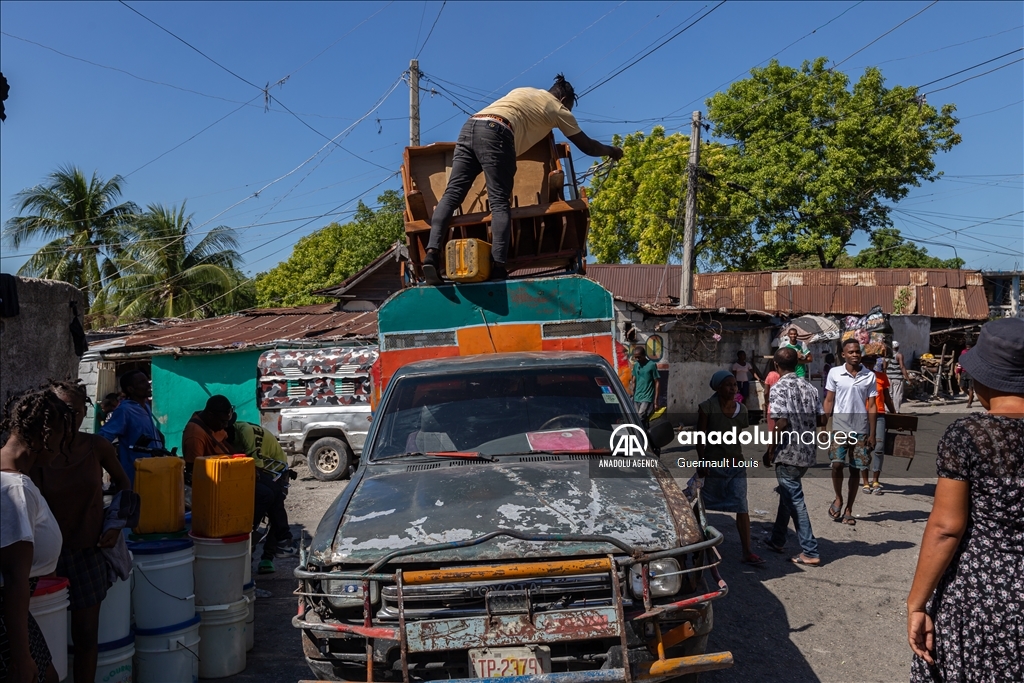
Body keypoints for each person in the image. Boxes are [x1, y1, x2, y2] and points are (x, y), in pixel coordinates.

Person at [907, 317, 1024, 682]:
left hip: (984, 596)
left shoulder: (969, 435)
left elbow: (946, 528)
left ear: (983, 378)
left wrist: (916, 603)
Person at [421, 75, 623, 284]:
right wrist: (612, 151)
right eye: (570, 108)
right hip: (497, 133)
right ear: (564, 100)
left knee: (452, 194)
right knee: (500, 203)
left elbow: (526, 119)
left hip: (470, 126)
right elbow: (588, 146)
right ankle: (499, 267)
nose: (569, 113)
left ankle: (432, 255)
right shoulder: (558, 109)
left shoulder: (524, 91)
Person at [31, 381, 131, 683]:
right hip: (44, 560)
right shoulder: (37, 453)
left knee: (86, 636)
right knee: (43, 638)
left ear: (85, 411)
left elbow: (125, 488)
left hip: (87, 553)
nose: (67, 419)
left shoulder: (95, 447)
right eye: (60, 411)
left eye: (73, 411)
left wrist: (114, 525)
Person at [1, 390, 72, 683]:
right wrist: (21, 657)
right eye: (61, 437)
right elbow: (15, 579)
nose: (63, 448)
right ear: (46, 435)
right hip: (7, 616)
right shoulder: (15, 490)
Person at [763, 347, 825, 566]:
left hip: (788, 452)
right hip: (807, 452)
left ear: (776, 366)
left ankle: (810, 550)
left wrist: (770, 450)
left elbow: (780, 422)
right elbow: (820, 420)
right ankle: (777, 539)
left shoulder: (778, 387)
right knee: (788, 496)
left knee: (795, 500)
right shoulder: (810, 387)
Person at [696, 370, 763, 566]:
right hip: (713, 465)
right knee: (702, 506)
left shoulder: (741, 410)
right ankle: (698, 545)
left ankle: (747, 551)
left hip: (736, 464)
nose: (733, 388)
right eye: (728, 385)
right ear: (718, 387)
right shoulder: (706, 408)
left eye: (734, 385)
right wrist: (702, 461)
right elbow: (700, 437)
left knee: (741, 505)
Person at [228, 417, 298, 575]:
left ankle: (269, 556)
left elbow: (255, 462)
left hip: (274, 469)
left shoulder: (244, 431)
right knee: (265, 510)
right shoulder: (233, 434)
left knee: (275, 509)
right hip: (261, 470)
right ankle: (251, 552)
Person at [823, 338, 877, 526]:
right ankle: (838, 497)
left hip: (860, 429)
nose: (855, 355)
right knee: (837, 464)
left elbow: (871, 405)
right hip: (839, 426)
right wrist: (823, 426)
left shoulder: (869, 375)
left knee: (856, 469)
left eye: (857, 352)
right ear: (843, 354)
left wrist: (872, 433)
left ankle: (849, 510)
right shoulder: (835, 373)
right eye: (851, 352)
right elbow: (829, 400)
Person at [98, 371, 163, 485]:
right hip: (135, 476)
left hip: (153, 472)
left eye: (147, 381)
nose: (148, 384)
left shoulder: (145, 407)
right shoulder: (125, 410)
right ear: (131, 389)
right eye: (142, 382)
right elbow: (103, 437)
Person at [860, 358, 896, 495]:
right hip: (862, 415)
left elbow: (887, 398)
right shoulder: (859, 377)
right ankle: (865, 482)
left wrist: (895, 415)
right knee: (864, 448)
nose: (869, 365)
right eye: (866, 363)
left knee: (879, 447)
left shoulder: (881, 377)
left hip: (880, 415)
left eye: (871, 363)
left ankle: (875, 480)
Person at [181, 395, 235, 482]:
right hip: (218, 479)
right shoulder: (195, 434)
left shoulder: (213, 424)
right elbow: (194, 470)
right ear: (210, 415)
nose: (225, 425)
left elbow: (224, 443)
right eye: (223, 421)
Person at [629, 346, 660, 427]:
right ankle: (644, 432)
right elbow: (634, 380)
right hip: (637, 396)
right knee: (637, 418)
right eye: (635, 357)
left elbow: (657, 382)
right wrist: (632, 393)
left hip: (647, 396)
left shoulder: (651, 365)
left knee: (640, 417)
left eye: (639, 357)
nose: (637, 359)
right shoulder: (636, 365)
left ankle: (641, 434)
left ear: (644, 355)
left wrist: (656, 401)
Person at [886, 341, 910, 412]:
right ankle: (896, 410)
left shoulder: (887, 355)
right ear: (898, 347)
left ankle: (887, 409)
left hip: (888, 377)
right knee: (897, 394)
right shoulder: (899, 355)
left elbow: (884, 366)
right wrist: (907, 378)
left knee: (889, 393)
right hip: (897, 378)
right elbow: (902, 366)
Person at [763, 361, 781, 431]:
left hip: (772, 406)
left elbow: (766, 392)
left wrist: (766, 402)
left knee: (772, 430)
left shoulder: (770, 375)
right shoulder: (784, 376)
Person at [955, 345, 974, 409]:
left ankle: (969, 403)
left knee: (971, 388)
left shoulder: (973, 352)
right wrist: (957, 372)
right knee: (962, 386)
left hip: (971, 373)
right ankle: (971, 396)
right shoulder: (963, 352)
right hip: (963, 372)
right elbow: (960, 363)